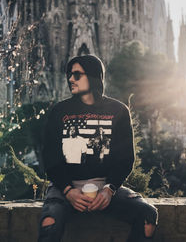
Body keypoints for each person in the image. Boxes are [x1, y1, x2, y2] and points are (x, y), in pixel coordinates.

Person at [38, 55, 158, 242]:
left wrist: (109, 189)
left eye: (77, 75)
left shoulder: (118, 110)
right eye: (69, 74)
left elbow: (126, 158)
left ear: (94, 77)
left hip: (104, 188)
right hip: (65, 188)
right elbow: (50, 157)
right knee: (49, 219)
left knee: (148, 217)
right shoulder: (59, 111)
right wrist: (68, 190)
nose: (70, 79)